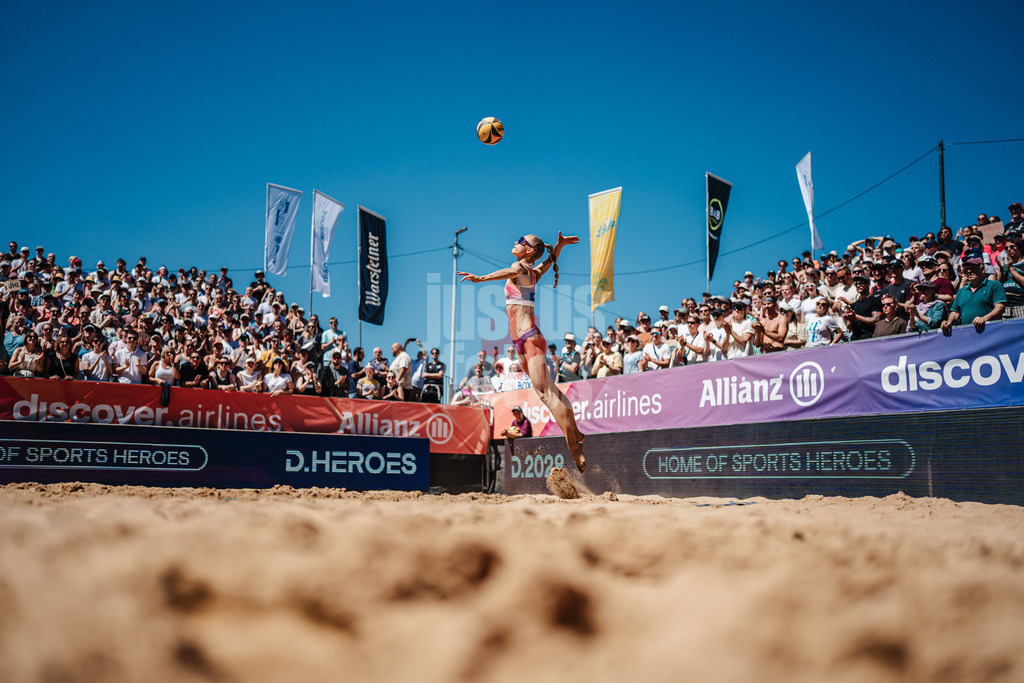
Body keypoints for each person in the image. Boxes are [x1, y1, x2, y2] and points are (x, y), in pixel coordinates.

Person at [459, 232, 587, 472]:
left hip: (529, 338)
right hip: (522, 342)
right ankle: (577, 432)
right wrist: (558, 248)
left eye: (521, 241)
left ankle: (574, 447)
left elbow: (507, 273)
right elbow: (547, 264)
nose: (516, 242)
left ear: (528, 251)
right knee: (550, 392)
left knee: (547, 395)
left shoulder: (520, 267)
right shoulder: (532, 274)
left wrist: (480, 278)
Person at [942, 253, 1007, 332]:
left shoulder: (994, 285)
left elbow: (1000, 307)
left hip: (990, 332)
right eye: (966, 269)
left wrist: (984, 318)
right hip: (967, 334)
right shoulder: (962, 291)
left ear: (982, 269)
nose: (969, 271)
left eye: (973, 268)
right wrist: (949, 322)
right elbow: (955, 312)